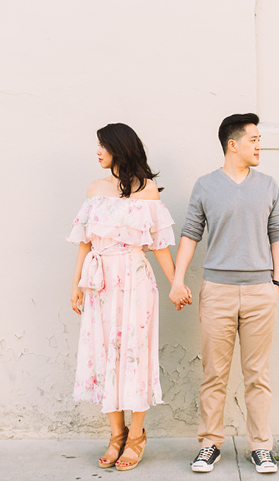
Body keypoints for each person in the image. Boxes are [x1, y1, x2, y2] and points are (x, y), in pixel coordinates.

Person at [170, 113, 279, 474]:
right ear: (232, 144)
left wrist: (276, 282)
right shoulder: (206, 186)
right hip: (218, 291)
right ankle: (210, 444)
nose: (259, 145)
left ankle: (261, 447)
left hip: (259, 291)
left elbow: (278, 233)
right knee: (214, 374)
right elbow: (190, 233)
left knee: (257, 375)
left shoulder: (268, 185)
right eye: (253, 139)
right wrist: (177, 280)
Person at [67, 122, 186, 471]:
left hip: (135, 281)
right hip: (100, 281)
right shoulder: (94, 189)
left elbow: (160, 244)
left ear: (120, 148)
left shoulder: (147, 191)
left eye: (103, 146)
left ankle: (136, 436)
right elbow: (85, 242)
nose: (98, 152)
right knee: (104, 354)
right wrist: (75, 285)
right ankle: (115, 435)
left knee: (134, 354)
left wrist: (175, 282)